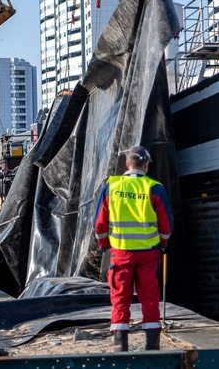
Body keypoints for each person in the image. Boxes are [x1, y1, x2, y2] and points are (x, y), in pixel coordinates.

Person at [93, 145, 174, 351]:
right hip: (149, 253)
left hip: (121, 253)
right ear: (146, 165)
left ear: (127, 164)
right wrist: (162, 244)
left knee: (120, 297)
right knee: (149, 297)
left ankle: (121, 346)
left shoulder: (112, 186)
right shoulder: (154, 188)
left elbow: (99, 224)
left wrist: (105, 245)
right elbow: (166, 224)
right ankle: (152, 346)